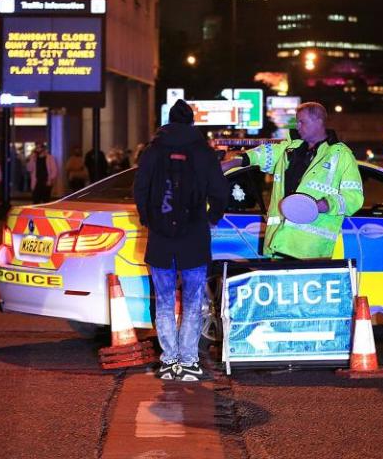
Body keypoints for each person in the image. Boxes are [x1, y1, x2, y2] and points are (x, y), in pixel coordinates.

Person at [134, 100, 228, 381]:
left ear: (168, 121)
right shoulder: (203, 152)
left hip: (161, 238)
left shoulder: (153, 151)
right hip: (194, 236)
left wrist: (147, 218)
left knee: (163, 301)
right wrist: (211, 218)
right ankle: (188, 361)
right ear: (191, 122)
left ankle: (168, 360)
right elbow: (220, 191)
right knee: (192, 299)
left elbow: (140, 189)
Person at [220, 101, 364, 259]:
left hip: (309, 250)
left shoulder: (340, 155)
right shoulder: (290, 149)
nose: (298, 126)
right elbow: (261, 154)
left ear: (319, 121)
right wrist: (232, 162)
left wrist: (327, 204)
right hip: (279, 243)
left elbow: (354, 198)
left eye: (302, 121)